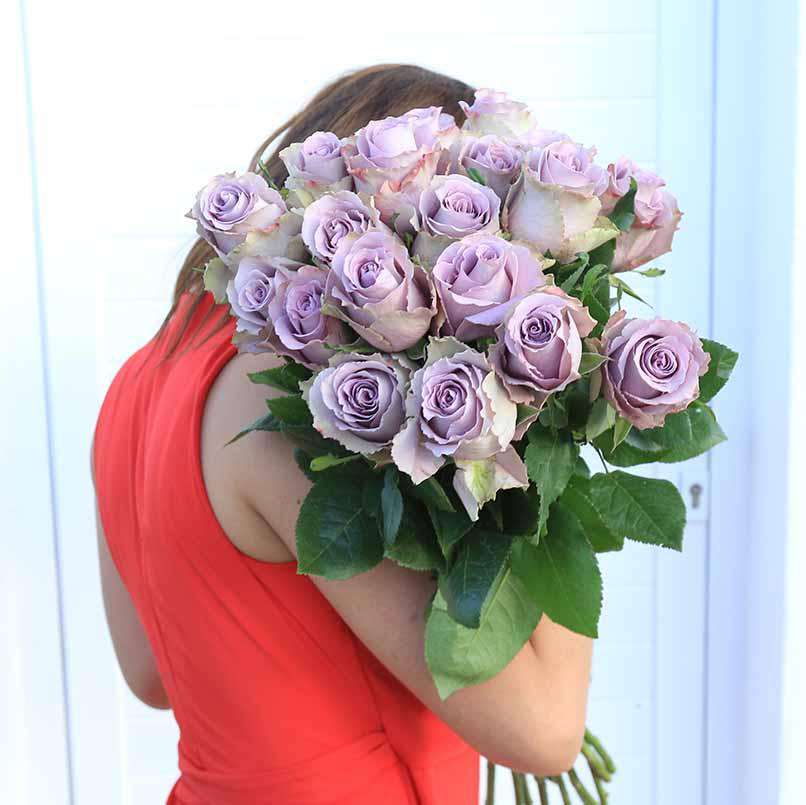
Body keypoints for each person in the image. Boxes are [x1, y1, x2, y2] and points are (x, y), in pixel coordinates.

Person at [91, 64, 593, 805]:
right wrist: (558, 402)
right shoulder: (285, 401)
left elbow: (151, 673)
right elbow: (544, 728)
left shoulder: (140, 377)